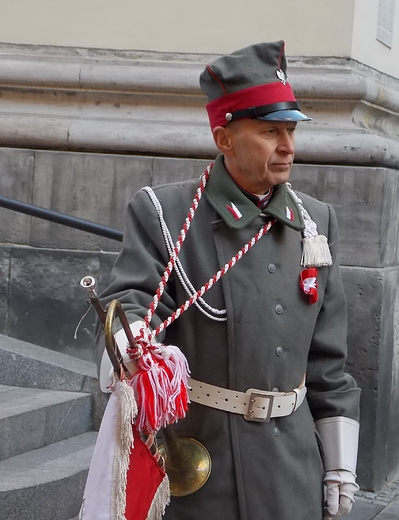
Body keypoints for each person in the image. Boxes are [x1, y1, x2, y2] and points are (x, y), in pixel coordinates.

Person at [96, 40, 361, 520]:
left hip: (292, 474)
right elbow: (132, 298)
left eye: (291, 131)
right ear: (224, 138)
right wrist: (132, 338)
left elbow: (329, 365)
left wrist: (339, 466)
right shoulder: (165, 213)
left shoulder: (316, 224)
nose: (288, 146)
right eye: (269, 131)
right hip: (202, 474)